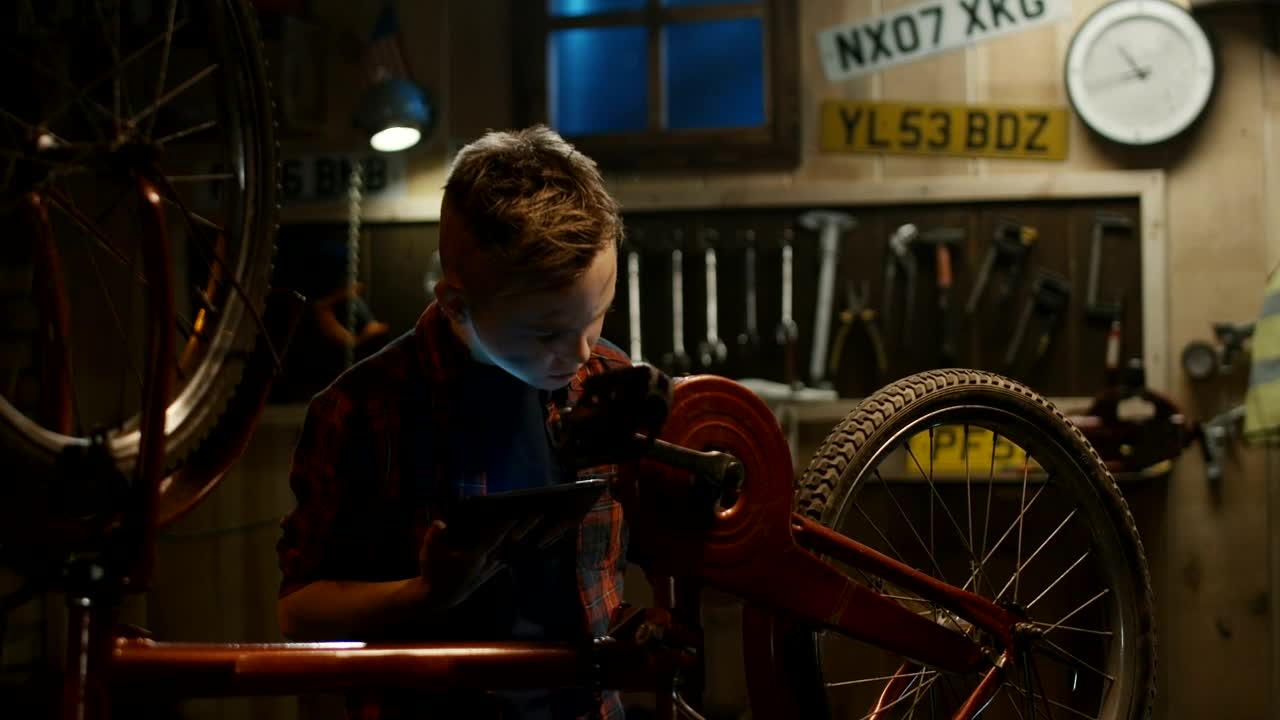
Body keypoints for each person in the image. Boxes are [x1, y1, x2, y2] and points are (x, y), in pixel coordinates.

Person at [276, 125, 630, 719]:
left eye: (597, 315)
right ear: (457, 305)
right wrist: (423, 595)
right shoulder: (360, 411)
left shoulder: (609, 381)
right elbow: (298, 613)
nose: (580, 352)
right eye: (546, 333)